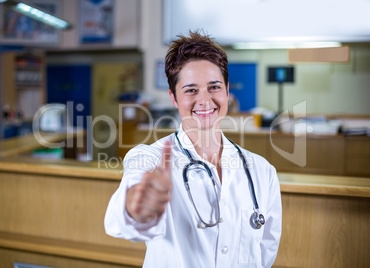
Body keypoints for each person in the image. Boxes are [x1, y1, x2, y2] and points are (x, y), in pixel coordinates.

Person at [104, 30, 282, 268]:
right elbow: (124, 218)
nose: (205, 100)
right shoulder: (150, 158)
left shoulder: (262, 170)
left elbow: (266, 252)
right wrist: (136, 206)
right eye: (191, 90)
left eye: (214, 87)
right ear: (174, 98)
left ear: (227, 91)